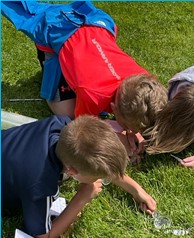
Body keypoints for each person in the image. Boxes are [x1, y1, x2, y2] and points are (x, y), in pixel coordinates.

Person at [1, 0, 167, 139]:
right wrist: (119, 135)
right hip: (56, 32)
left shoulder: (145, 80)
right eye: (127, 126)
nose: (131, 131)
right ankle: (58, 61)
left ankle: (71, 58)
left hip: (97, 27)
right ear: (113, 108)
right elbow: (82, 127)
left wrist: (131, 131)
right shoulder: (93, 95)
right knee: (67, 114)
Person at [0, 115, 153, 238]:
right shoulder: (40, 185)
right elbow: (43, 237)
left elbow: (99, 163)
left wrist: (137, 190)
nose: (102, 179)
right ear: (72, 171)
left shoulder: (62, 125)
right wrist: (81, 198)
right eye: (98, 177)